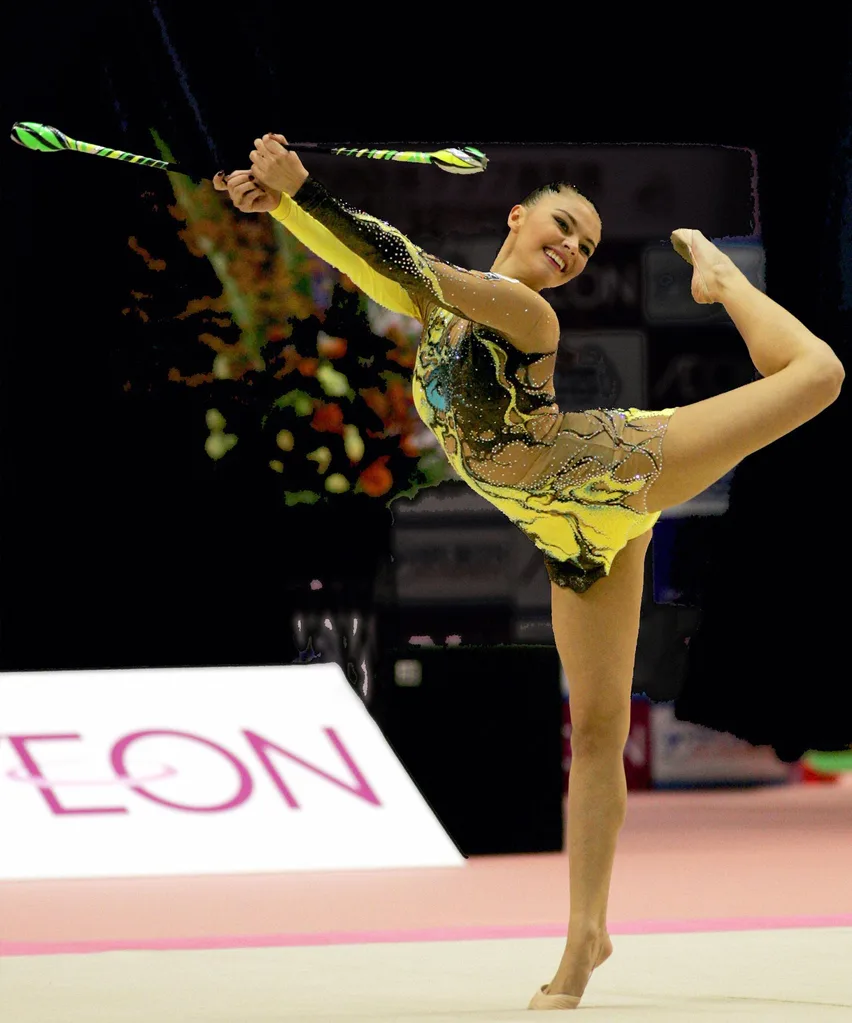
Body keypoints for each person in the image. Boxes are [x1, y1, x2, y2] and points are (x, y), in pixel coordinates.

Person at [214, 136, 844, 1011]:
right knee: (596, 731)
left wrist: (302, 188)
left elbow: (407, 259)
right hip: (573, 540)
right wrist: (281, 205)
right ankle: (587, 934)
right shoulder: (442, 311)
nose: (573, 248)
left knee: (818, 374)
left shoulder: (527, 316)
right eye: (564, 226)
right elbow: (364, 259)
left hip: (616, 469)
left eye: (586, 245)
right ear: (518, 215)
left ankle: (722, 280)